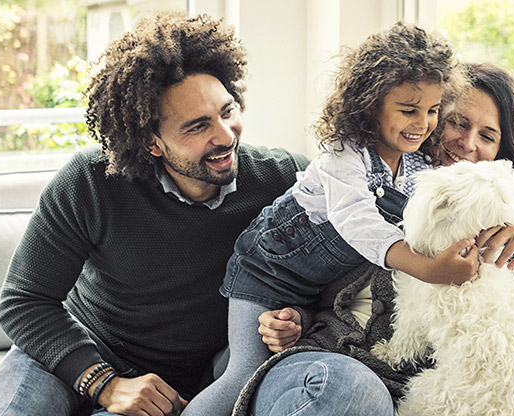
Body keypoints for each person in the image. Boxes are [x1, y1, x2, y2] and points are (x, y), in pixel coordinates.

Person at [238, 62, 514, 415]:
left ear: (501, 149)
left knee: (355, 393)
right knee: (340, 387)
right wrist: (292, 319)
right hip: (321, 357)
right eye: (457, 122)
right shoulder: (375, 174)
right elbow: (316, 276)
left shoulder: (496, 196)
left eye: (487, 136)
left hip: (397, 384)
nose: (467, 144)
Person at [0, 12, 317, 416]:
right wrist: (104, 384)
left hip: (193, 379)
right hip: (79, 350)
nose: (225, 136)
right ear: (151, 143)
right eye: (197, 127)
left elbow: (331, 285)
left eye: (227, 111)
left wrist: (298, 319)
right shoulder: (90, 182)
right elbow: (23, 301)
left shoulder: (285, 180)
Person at [182, 22, 470, 416]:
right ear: (371, 105)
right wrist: (428, 268)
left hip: (311, 293)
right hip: (267, 271)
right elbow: (358, 222)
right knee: (242, 374)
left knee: (257, 354)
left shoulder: (417, 162)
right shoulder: (345, 155)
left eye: (433, 110)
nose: (422, 123)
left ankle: (226, 355)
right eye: (408, 110)